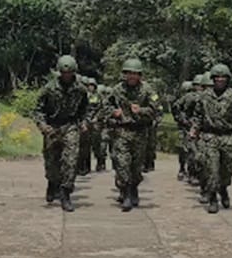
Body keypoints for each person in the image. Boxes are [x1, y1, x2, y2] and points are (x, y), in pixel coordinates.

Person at [32, 55, 89, 212]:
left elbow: (85, 109)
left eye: (69, 72)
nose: (67, 75)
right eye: (64, 73)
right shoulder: (49, 89)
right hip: (52, 126)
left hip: (70, 126)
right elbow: (38, 110)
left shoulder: (80, 89)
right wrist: (43, 125)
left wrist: (84, 122)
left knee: (70, 160)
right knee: (52, 161)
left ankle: (66, 193)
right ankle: (52, 183)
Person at [189, 64, 232, 213]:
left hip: (227, 136)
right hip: (209, 136)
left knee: (228, 168)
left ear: (227, 79)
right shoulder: (204, 96)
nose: (220, 80)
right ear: (213, 79)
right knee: (211, 169)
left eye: (223, 77)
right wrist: (194, 129)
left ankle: (223, 188)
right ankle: (213, 198)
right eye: (217, 77)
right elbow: (197, 115)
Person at [102, 58, 158, 211]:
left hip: (140, 132)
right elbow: (105, 106)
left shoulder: (148, 90)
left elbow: (156, 109)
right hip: (122, 131)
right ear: (125, 74)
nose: (132, 76)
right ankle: (126, 193)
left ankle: (134, 188)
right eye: (129, 73)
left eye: (135, 74)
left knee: (136, 166)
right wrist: (113, 112)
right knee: (122, 163)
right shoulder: (117, 89)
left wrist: (141, 110)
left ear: (140, 75)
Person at [171, 81, 194, 181]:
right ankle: (186, 170)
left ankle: (183, 170)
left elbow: (175, 109)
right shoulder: (185, 98)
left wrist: (180, 119)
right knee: (188, 150)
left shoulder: (185, 98)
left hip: (187, 126)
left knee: (185, 150)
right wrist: (181, 119)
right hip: (186, 127)